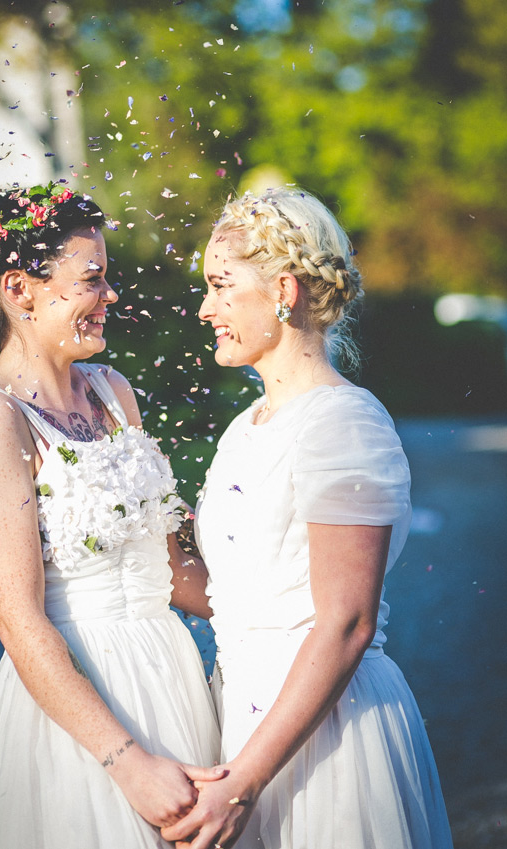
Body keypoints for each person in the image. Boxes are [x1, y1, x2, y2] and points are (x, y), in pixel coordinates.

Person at [0, 182, 222, 848]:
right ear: (20, 289)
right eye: (93, 279)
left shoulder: (113, 392)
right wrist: (126, 761)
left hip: (170, 675)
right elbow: (18, 622)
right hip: (83, 710)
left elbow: (171, 570)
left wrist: (278, 616)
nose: (109, 295)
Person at [161, 187, 453, 849]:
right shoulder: (246, 426)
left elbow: (345, 623)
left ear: (285, 291)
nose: (206, 308)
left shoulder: (343, 421)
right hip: (242, 719)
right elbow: (230, 598)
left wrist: (242, 784)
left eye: (220, 286)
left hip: (327, 731)